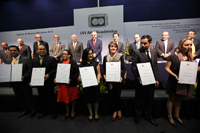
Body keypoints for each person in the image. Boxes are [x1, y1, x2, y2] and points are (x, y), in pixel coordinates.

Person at [131, 35, 159, 126]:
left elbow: (155, 66)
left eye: (145, 43)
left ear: (150, 43)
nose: (142, 45)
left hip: (151, 81)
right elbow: (133, 67)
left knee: (150, 99)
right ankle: (137, 116)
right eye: (142, 43)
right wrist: (138, 78)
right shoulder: (137, 52)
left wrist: (156, 79)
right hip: (141, 81)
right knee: (139, 99)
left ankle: (148, 116)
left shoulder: (154, 52)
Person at [165, 38, 193, 127]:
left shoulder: (190, 57)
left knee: (179, 99)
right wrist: (174, 75)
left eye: (190, 45)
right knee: (171, 99)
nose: (188, 47)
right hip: (174, 81)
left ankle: (177, 116)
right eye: (186, 45)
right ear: (181, 45)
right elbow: (167, 68)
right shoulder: (173, 56)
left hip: (184, 82)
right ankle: (170, 116)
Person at [6, 45, 36, 118]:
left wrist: (24, 77)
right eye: (10, 50)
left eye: (14, 50)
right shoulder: (8, 61)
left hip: (24, 82)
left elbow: (30, 69)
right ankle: (25, 110)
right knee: (20, 97)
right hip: (14, 83)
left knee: (28, 97)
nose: (12, 52)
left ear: (19, 51)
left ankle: (33, 110)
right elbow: (7, 71)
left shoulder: (26, 59)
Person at [32, 45, 57, 119]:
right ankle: (44, 111)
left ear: (46, 50)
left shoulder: (51, 59)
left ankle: (53, 112)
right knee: (42, 97)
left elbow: (55, 69)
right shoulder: (33, 60)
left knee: (51, 97)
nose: (42, 50)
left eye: (43, 49)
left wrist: (49, 75)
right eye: (40, 49)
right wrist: (32, 81)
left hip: (49, 82)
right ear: (37, 51)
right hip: (39, 82)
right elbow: (32, 71)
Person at [102, 41, 126, 121]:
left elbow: (124, 68)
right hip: (109, 81)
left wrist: (122, 77)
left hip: (118, 80)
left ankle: (119, 110)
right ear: (109, 48)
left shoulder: (120, 56)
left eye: (115, 46)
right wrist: (104, 75)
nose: (113, 48)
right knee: (111, 97)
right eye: (111, 46)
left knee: (117, 96)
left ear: (117, 48)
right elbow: (104, 69)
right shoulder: (105, 57)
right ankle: (114, 111)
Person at [55, 50, 79, 119]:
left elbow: (76, 73)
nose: (64, 55)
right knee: (65, 98)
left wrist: (71, 79)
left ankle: (72, 110)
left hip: (71, 84)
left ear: (69, 55)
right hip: (63, 85)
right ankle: (67, 111)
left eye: (65, 54)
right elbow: (58, 72)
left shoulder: (73, 63)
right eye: (63, 54)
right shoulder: (60, 63)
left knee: (72, 98)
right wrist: (56, 78)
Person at [79, 48, 101, 121]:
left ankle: (96, 112)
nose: (91, 55)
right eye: (89, 53)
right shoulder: (82, 64)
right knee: (88, 99)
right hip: (87, 85)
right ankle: (91, 113)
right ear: (85, 55)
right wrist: (80, 78)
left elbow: (98, 73)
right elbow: (79, 76)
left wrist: (98, 81)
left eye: (91, 53)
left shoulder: (96, 63)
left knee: (95, 99)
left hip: (95, 85)